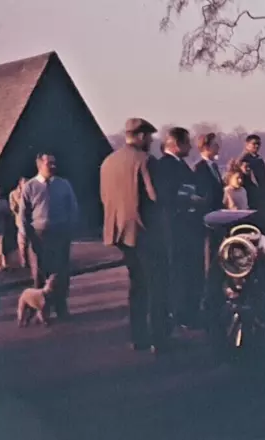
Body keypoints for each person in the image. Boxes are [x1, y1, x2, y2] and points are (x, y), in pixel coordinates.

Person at [100, 117, 167, 352]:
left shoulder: (108, 162)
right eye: (149, 137)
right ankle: (159, 339)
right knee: (156, 285)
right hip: (145, 230)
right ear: (140, 136)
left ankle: (138, 337)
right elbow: (155, 196)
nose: (150, 141)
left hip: (119, 232)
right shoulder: (146, 160)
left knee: (137, 285)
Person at [154, 126, 202, 330]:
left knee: (191, 270)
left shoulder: (180, 165)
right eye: (187, 142)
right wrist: (190, 199)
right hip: (175, 227)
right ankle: (182, 313)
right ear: (176, 144)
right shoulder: (164, 166)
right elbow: (166, 195)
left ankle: (189, 311)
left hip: (187, 226)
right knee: (180, 271)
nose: (190, 146)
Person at [19, 154, 78, 320]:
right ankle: (40, 311)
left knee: (61, 273)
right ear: (39, 165)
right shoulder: (29, 187)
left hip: (60, 235)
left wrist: (69, 229)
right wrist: (27, 237)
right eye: (49, 163)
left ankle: (61, 308)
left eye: (54, 163)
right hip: (39, 236)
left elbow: (73, 208)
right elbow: (23, 215)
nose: (53, 166)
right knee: (39, 274)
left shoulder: (63, 184)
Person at [192, 133, 225, 327]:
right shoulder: (200, 169)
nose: (218, 147)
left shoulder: (214, 167)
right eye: (215, 145)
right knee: (208, 259)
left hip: (217, 219)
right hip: (208, 220)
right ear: (206, 147)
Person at [9, 178, 28, 268]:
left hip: (32, 221)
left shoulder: (30, 191)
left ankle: (31, 260)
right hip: (21, 221)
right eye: (25, 183)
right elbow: (13, 208)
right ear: (20, 184)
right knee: (22, 243)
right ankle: (24, 261)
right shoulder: (14, 194)